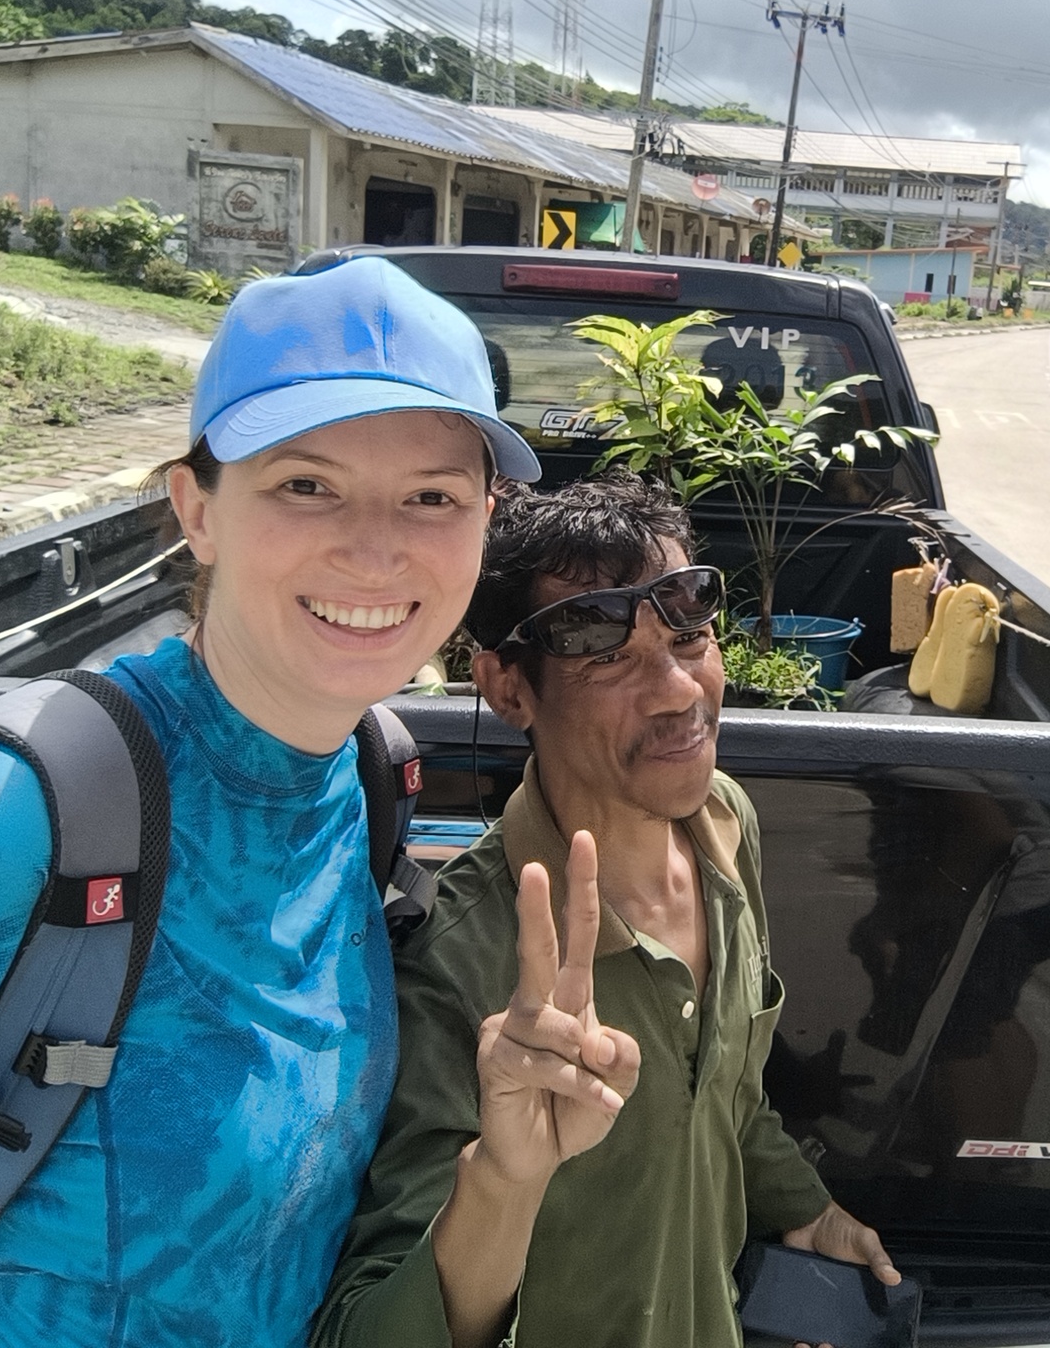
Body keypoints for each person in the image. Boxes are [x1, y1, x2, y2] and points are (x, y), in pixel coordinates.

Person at [0, 257, 638, 1347]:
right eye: (305, 484)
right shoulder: (2, 825)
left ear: (484, 519)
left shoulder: (366, 783)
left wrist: (505, 1168)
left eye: (432, 496)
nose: (376, 545)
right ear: (194, 509)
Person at [317, 474, 897, 1348]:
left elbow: (727, 1092)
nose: (676, 690)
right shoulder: (464, 966)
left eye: (689, 633)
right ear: (508, 689)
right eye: (605, 651)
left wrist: (806, 1209)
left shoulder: (722, 827)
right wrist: (503, 1180)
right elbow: (370, 1327)